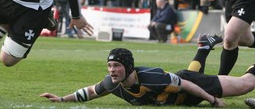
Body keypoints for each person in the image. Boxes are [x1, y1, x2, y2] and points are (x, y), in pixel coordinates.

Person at [41, 35, 255, 107]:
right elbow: (91, 92)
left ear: (129, 67)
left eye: (117, 66)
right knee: (183, 75)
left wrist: (213, 100)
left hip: (191, 86)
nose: (112, 70)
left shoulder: (152, 77)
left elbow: (188, 84)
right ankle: (204, 47)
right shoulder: (112, 83)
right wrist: (62, 99)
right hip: (182, 94)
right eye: (110, 66)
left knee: (245, 84)